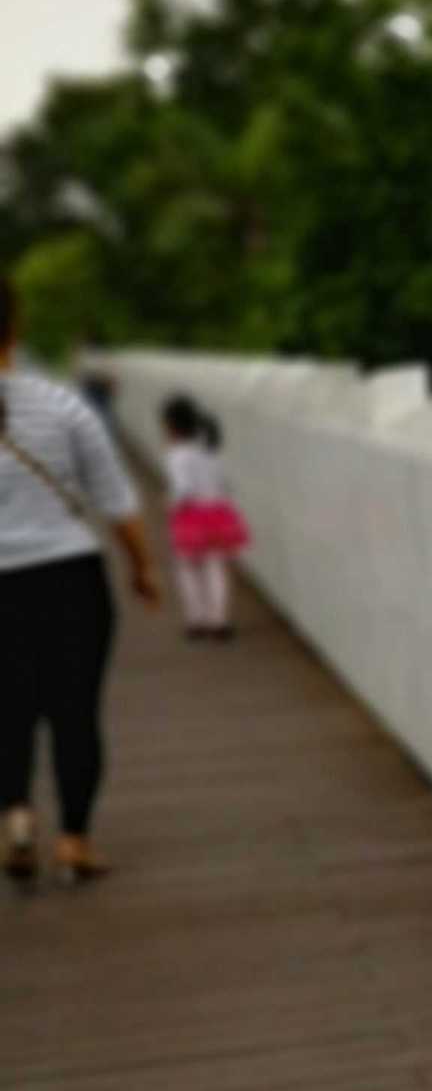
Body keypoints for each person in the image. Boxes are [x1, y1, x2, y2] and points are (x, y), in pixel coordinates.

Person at [0, 273, 161, 885]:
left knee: (7, 709)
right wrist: (143, 569)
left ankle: (17, 819)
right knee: (75, 712)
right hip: (70, 580)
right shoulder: (63, 406)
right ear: (15, 329)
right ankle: (74, 839)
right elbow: (118, 503)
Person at [159, 394, 250, 639]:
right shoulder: (210, 451)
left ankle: (196, 620)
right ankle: (219, 620)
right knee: (215, 567)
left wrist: (170, 505)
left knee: (188, 569)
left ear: (171, 426)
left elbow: (183, 489)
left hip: (190, 516)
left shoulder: (177, 455)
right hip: (218, 513)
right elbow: (224, 483)